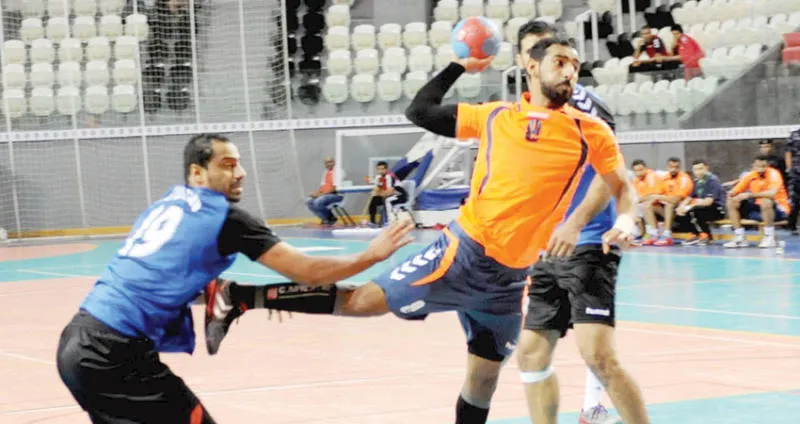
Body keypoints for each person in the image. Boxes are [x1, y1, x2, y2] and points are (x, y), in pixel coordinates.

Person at [204, 37, 638, 424]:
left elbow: (622, 186)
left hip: (509, 280)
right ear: (532, 67)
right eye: (560, 61)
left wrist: (623, 220)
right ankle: (239, 297)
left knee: (483, 380)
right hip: (464, 253)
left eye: (575, 65)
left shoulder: (590, 130)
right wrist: (458, 66)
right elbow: (420, 111)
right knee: (362, 302)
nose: (569, 71)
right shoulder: (495, 116)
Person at [55, 134, 414, 423]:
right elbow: (307, 271)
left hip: (78, 342)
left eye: (239, 163)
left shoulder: (167, 205)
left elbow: (157, 276)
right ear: (197, 173)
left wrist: (237, 293)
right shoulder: (225, 218)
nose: (240, 172)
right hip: (114, 353)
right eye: (227, 165)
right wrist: (371, 255)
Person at [514, 21, 649, 424]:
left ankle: (604, 410)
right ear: (524, 61)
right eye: (531, 50)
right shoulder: (524, 113)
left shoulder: (586, 106)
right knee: (531, 353)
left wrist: (607, 220)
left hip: (588, 242)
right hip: (546, 248)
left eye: (547, 49)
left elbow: (613, 173)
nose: (538, 56)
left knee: (598, 356)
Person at [724, 155, 791, 248]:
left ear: (767, 166)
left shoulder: (773, 174)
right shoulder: (751, 175)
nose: (760, 169)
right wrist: (732, 194)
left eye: (763, 166)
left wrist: (749, 195)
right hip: (758, 210)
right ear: (753, 166)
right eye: (758, 166)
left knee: (766, 200)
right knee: (732, 201)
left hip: (779, 211)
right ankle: (739, 237)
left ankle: (769, 237)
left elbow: (772, 193)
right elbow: (735, 190)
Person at [674, 159, 726, 245]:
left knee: (694, 211)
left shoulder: (712, 180)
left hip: (718, 209)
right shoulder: (697, 181)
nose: (698, 172)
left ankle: (707, 237)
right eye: (696, 169)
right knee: (680, 212)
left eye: (700, 168)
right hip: (703, 207)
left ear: (707, 168)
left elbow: (708, 202)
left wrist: (690, 206)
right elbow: (690, 197)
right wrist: (681, 207)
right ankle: (695, 235)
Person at [367, 161, 408, 225]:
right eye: (379, 169)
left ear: (386, 169)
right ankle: (373, 222)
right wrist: (377, 192)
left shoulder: (390, 176)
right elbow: (376, 190)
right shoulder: (378, 177)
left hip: (400, 195)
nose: (380, 171)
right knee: (373, 201)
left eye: (382, 169)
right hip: (388, 195)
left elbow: (389, 191)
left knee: (387, 200)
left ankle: (390, 221)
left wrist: (380, 193)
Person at [307, 157, 344, 225]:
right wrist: (315, 194)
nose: (328, 164)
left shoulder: (339, 172)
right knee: (309, 201)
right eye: (326, 163)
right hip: (325, 194)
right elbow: (322, 187)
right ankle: (326, 219)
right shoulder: (325, 172)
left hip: (336, 195)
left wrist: (321, 195)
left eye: (330, 162)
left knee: (318, 202)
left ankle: (330, 217)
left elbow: (335, 189)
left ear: (334, 162)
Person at [785, 129, 800, 234]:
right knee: (795, 200)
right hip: (796, 172)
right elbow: (788, 152)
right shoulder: (794, 135)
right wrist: (789, 169)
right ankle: (792, 225)